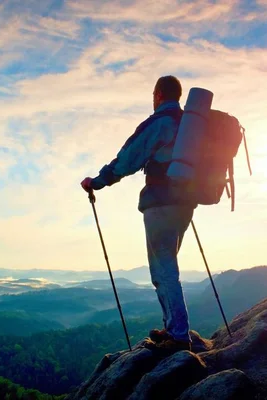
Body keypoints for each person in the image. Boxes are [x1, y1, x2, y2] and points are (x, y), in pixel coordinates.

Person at [80, 75, 196, 352]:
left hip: (160, 203)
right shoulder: (190, 126)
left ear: (157, 94)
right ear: (178, 95)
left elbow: (128, 159)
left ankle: (178, 335)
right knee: (168, 264)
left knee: (164, 268)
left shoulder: (159, 123)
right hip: (186, 202)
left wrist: (96, 182)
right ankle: (173, 328)